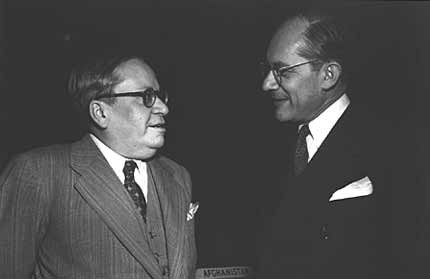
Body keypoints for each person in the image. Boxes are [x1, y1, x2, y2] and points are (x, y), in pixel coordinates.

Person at [0, 54, 197, 278]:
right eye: (147, 96)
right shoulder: (38, 172)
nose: (163, 108)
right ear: (101, 113)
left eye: (161, 96)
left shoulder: (178, 176)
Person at [255, 8, 415, 279]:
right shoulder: (266, 149)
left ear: (328, 75)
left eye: (282, 71)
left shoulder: (395, 147)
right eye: (268, 70)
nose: (267, 84)